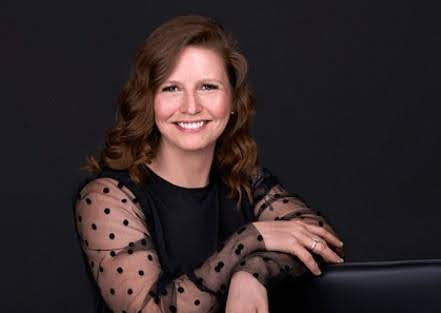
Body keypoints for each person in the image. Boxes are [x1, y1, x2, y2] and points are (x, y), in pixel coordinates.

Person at [72, 14, 345, 313]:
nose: (191, 107)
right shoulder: (106, 197)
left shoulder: (245, 181)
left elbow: (319, 240)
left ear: (232, 102)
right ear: (148, 101)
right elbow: (152, 309)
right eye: (171, 88)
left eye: (208, 87)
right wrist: (248, 239)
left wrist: (250, 273)